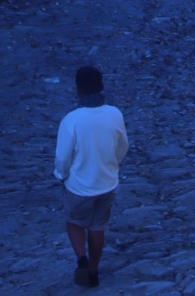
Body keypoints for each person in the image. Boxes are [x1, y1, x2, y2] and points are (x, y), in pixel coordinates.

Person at [54, 66, 129, 289]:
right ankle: (94, 271)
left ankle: (81, 260)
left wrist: (62, 175)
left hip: (80, 186)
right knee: (98, 227)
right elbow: (122, 146)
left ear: (77, 90)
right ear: (102, 86)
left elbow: (63, 157)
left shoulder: (72, 120)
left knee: (74, 223)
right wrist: (113, 165)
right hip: (107, 183)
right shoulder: (114, 114)